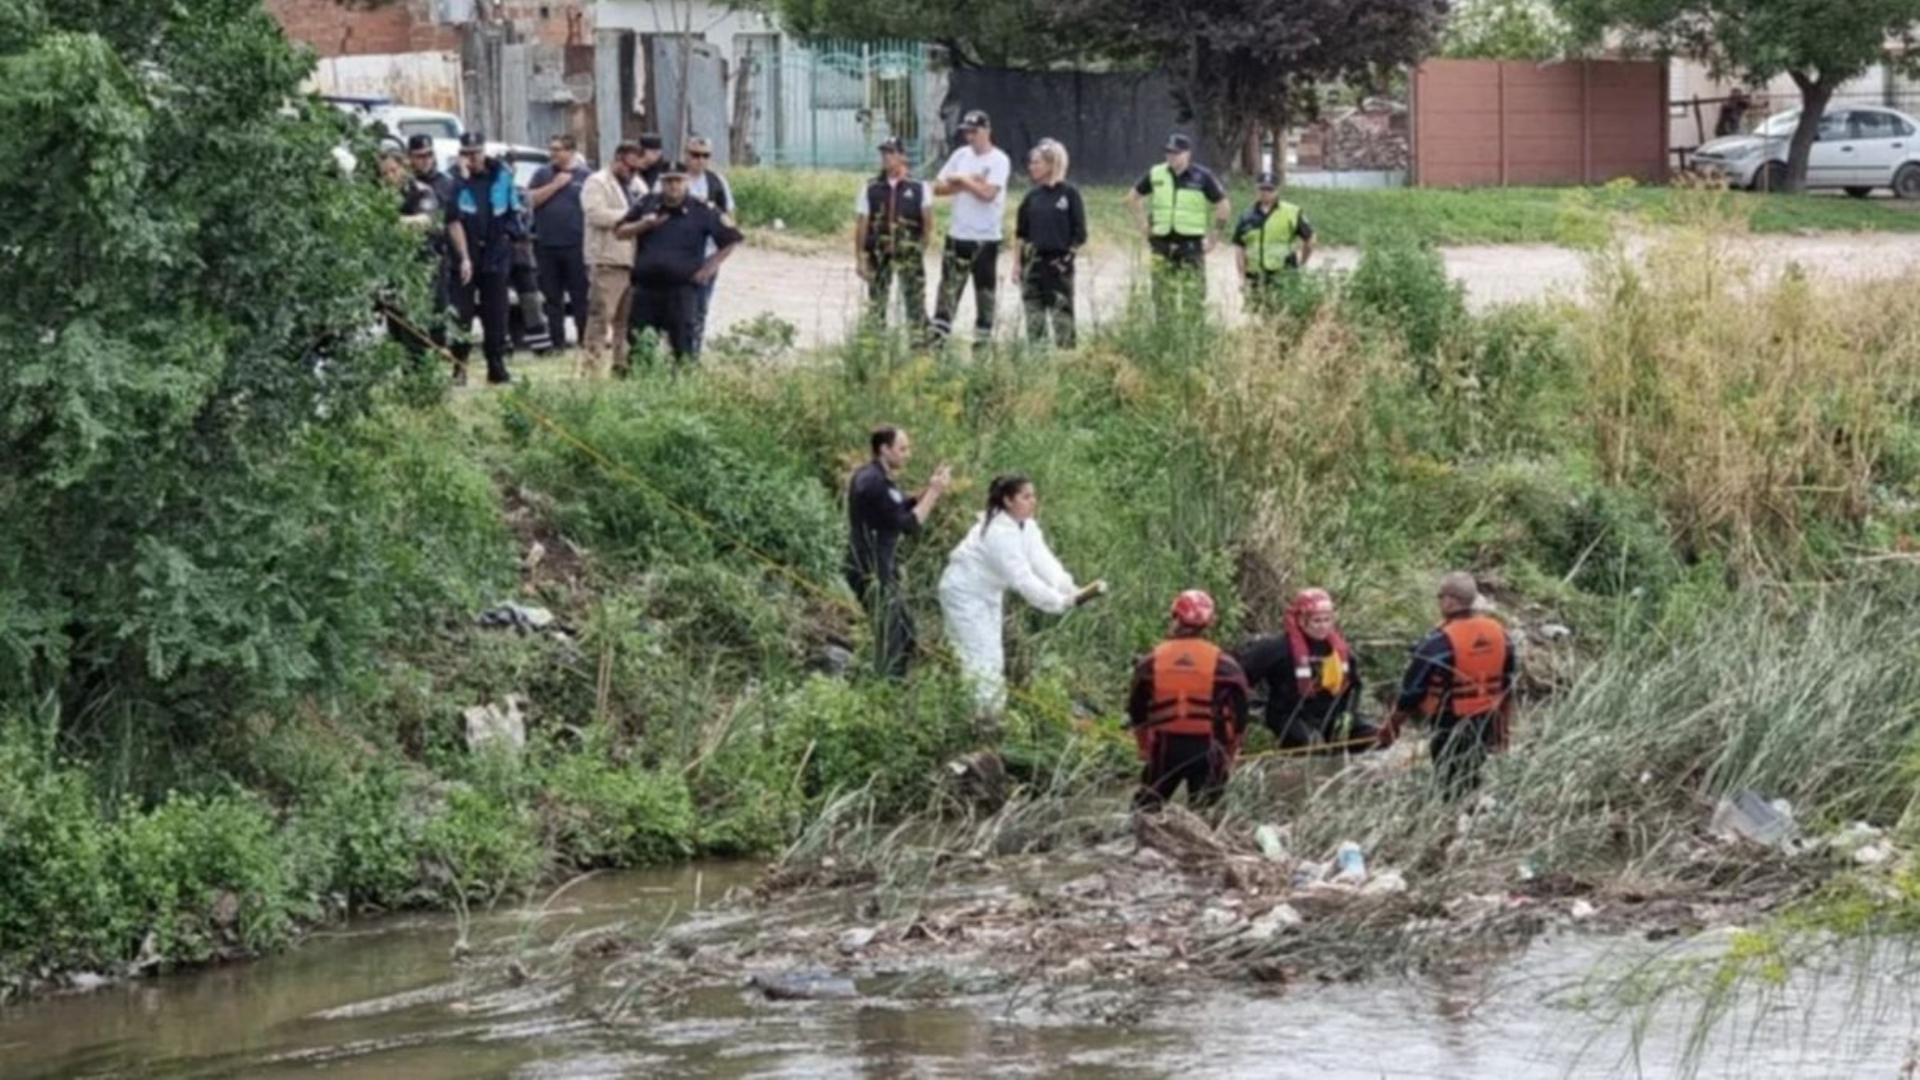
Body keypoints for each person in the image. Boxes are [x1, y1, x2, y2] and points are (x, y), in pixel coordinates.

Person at [938, 474, 1099, 712]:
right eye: (1025, 497)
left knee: (992, 655)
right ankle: (983, 719)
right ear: (1007, 501)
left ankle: (985, 714)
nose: (1033, 501)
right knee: (980, 656)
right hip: (964, 594)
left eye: (1033, 496)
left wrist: (1070, 588)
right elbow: (1022, 579)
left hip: (988, 594)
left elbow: (1044, 561)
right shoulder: (997, 533)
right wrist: (1058, 602)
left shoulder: (1028, 526)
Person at [1380, 572, 1517, 799]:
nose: (1439, 601)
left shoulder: (1437, 641)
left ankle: (1449, 818)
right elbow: (1508, 682)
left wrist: (1392, 726)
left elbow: (1411, 692)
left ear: (1451, 600)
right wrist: (1502, 732)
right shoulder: (1499, 633)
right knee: (1472, 769)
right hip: (1486, 717)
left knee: (1448, 776)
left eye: (1440, 596)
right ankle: (1469, 811)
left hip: (1450, 720)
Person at [1126, 590, 1251, 812]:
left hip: (1165, 748)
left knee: (1145, 810)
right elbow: (1241, 710)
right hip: (1210, 748)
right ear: (1209, 622)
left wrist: (1144, 746)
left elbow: (1136, 708)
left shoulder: (1151, 661)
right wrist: (1232, 749)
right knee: (1204, 816)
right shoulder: (1226, 664)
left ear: (1175, 618)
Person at [846, 426, 953, 679]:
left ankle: (891, 688)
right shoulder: (872, 482)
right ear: (884, 449)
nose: (908, 454)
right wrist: (934, 494)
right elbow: (910, 524)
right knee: (891, 638)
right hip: (870, 571)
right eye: (902, 449)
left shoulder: (875, 478)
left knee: (905, 632)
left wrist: (929, 488)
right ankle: (883, 692)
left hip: (882, 570)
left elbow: (901, 506)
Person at [616, 165, 743, 365]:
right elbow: (620, 231)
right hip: (646, 289)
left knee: (683, 346)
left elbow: (731, 239)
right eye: (668, 181)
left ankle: (682, 386)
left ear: (686, 182)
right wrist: (644, 224)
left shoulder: (702, 209)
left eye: (678, 181)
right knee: (640, 345)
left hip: (681, 290)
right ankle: (641, 385)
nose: (673, 186)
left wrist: (708, 269)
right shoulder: (648, 203)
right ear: (661, 182)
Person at [1237, 588, 1376, 753]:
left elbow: (1354, 688)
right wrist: (1250, 709)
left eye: (1327, 620)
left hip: (1331, 715)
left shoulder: (1342, 651)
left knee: (1376, 737)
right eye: (1317, 621)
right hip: (1290, 716)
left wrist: (1348, 716)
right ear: (1302, 621)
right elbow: (1239, 677)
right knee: (1312, 745)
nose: (1323, 626)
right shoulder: (1275, 648)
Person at [445, 131, 524, 385]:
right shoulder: (453, 180)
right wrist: (462, 179)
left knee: (496, 315)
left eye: (476, 152)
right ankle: (459, 368)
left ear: (484, 151)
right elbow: (450, 214)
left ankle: (496, 367)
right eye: (467, 153)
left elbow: (516, 211)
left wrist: (509, 235)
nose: (472, 158)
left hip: (495, 253)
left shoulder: (501, 175)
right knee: (462, 315)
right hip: (464, 256)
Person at [931, 110, 1011, 344]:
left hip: (985, 238)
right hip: (958, 235)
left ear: (987, 131)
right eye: (966, 132)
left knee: (984, 293)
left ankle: (982, 342)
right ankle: (939, 339)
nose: (970, 137)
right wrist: (968, 185)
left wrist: (963, 180)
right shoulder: (960, 155)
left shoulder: (999, 159)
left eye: (974, 132)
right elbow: (938, 187)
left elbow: (988, 193)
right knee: (948, 290)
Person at [1127, 133, 1229, 313]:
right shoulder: (1156, 173)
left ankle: (1193, 336)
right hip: (1161, 243)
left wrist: (1214, 237)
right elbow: (1133, 197)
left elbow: (1223, 205)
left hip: (1190, 245)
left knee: (1193, 296)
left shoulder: (1202, 176)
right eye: (1168, 152)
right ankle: (1164, 336)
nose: (1171, 156)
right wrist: (1143, 226)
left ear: (1187, 154)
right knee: (1162, 296)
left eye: (1176, 152)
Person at [1011, 138, 1087, 349]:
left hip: (1058, 264)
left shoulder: (1069, 194)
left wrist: (1066, 259)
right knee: (1034, 318)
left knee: (1061, 317)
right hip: (1033, 262)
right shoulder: (1031, 197)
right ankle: (1038, 362)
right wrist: (1017, 265)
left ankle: (1066, 361)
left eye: (1037, 162)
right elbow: (1020, 233)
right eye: (1031, 162)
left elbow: (1080, 233)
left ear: (1051, 164)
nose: (1032, 167)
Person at [854, 137, 934, 337]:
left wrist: (919, 248)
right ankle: (876, 341)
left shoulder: (918, 187)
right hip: (879, 252)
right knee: (877, 300)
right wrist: (861, 257)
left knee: (915, 300)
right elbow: (862, 223)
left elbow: (928, 223)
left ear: (902, 156)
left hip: (908, 251)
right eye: (884, 153)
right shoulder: (871, 187)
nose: (886, 158)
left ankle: (919, 342)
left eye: (891, 153)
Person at [581, 141, 646, 378]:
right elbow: (596, 214)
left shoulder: (637, 184)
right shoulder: (597, 182)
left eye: (637, 168)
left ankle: (621, 367)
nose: (632, 172)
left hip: (632, 260)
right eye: (629, 166)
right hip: (608, 259)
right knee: (601, 318)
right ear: (618, 159)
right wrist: (632, 217)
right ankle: (592, 369)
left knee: (626, 321)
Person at [528, 134, 593, 352]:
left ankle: (585, 339)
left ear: (571, 151)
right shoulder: (542, 174)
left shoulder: (585, 177)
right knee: (552, 297)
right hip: (547, 244)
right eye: (551, 149)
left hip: (576, 244)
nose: (553, 154)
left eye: (558, 149)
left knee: (580, 296)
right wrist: (555, 186)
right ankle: (557, 341)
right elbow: (530, 200)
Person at [1233, 171, 1315, 315]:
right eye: (1262, 188)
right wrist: (1241, 277)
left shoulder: (1292, 212)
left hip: (1283, 274)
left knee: (1284, 314)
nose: (1265, 193)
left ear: (1278, 190)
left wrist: (1302, 263)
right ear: (1256, 189)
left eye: (1270, 189)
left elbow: (1310, 239)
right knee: (1258, 315)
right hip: (1256, 275)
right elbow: (1239, 247)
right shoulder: (1246, 216)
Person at [682, 136, 735, 355]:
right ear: (686, 155)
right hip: (678, 254)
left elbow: (730, 217)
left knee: (701, 307)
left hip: (708, 254)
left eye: (705, 156)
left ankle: (693, 354)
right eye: (695, 155)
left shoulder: (716, 181)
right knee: (677, 306)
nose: (700, 160)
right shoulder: (674, 178)